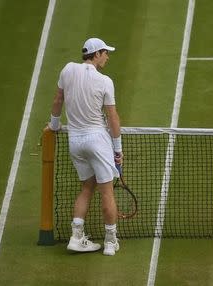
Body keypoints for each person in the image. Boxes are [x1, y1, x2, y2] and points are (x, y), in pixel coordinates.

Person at [47, 38, 122, 256]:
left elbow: (58, 99)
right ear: (96, 54)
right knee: (106, 192)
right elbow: (113, 117)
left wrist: (53, 126)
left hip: (76, 141)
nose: (107, 56)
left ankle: (76, 237)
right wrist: (117, 150)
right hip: (97, 141)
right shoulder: (105, 81)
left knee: (87, 188)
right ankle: (110, 242)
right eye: (105, 52)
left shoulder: (67, 70)